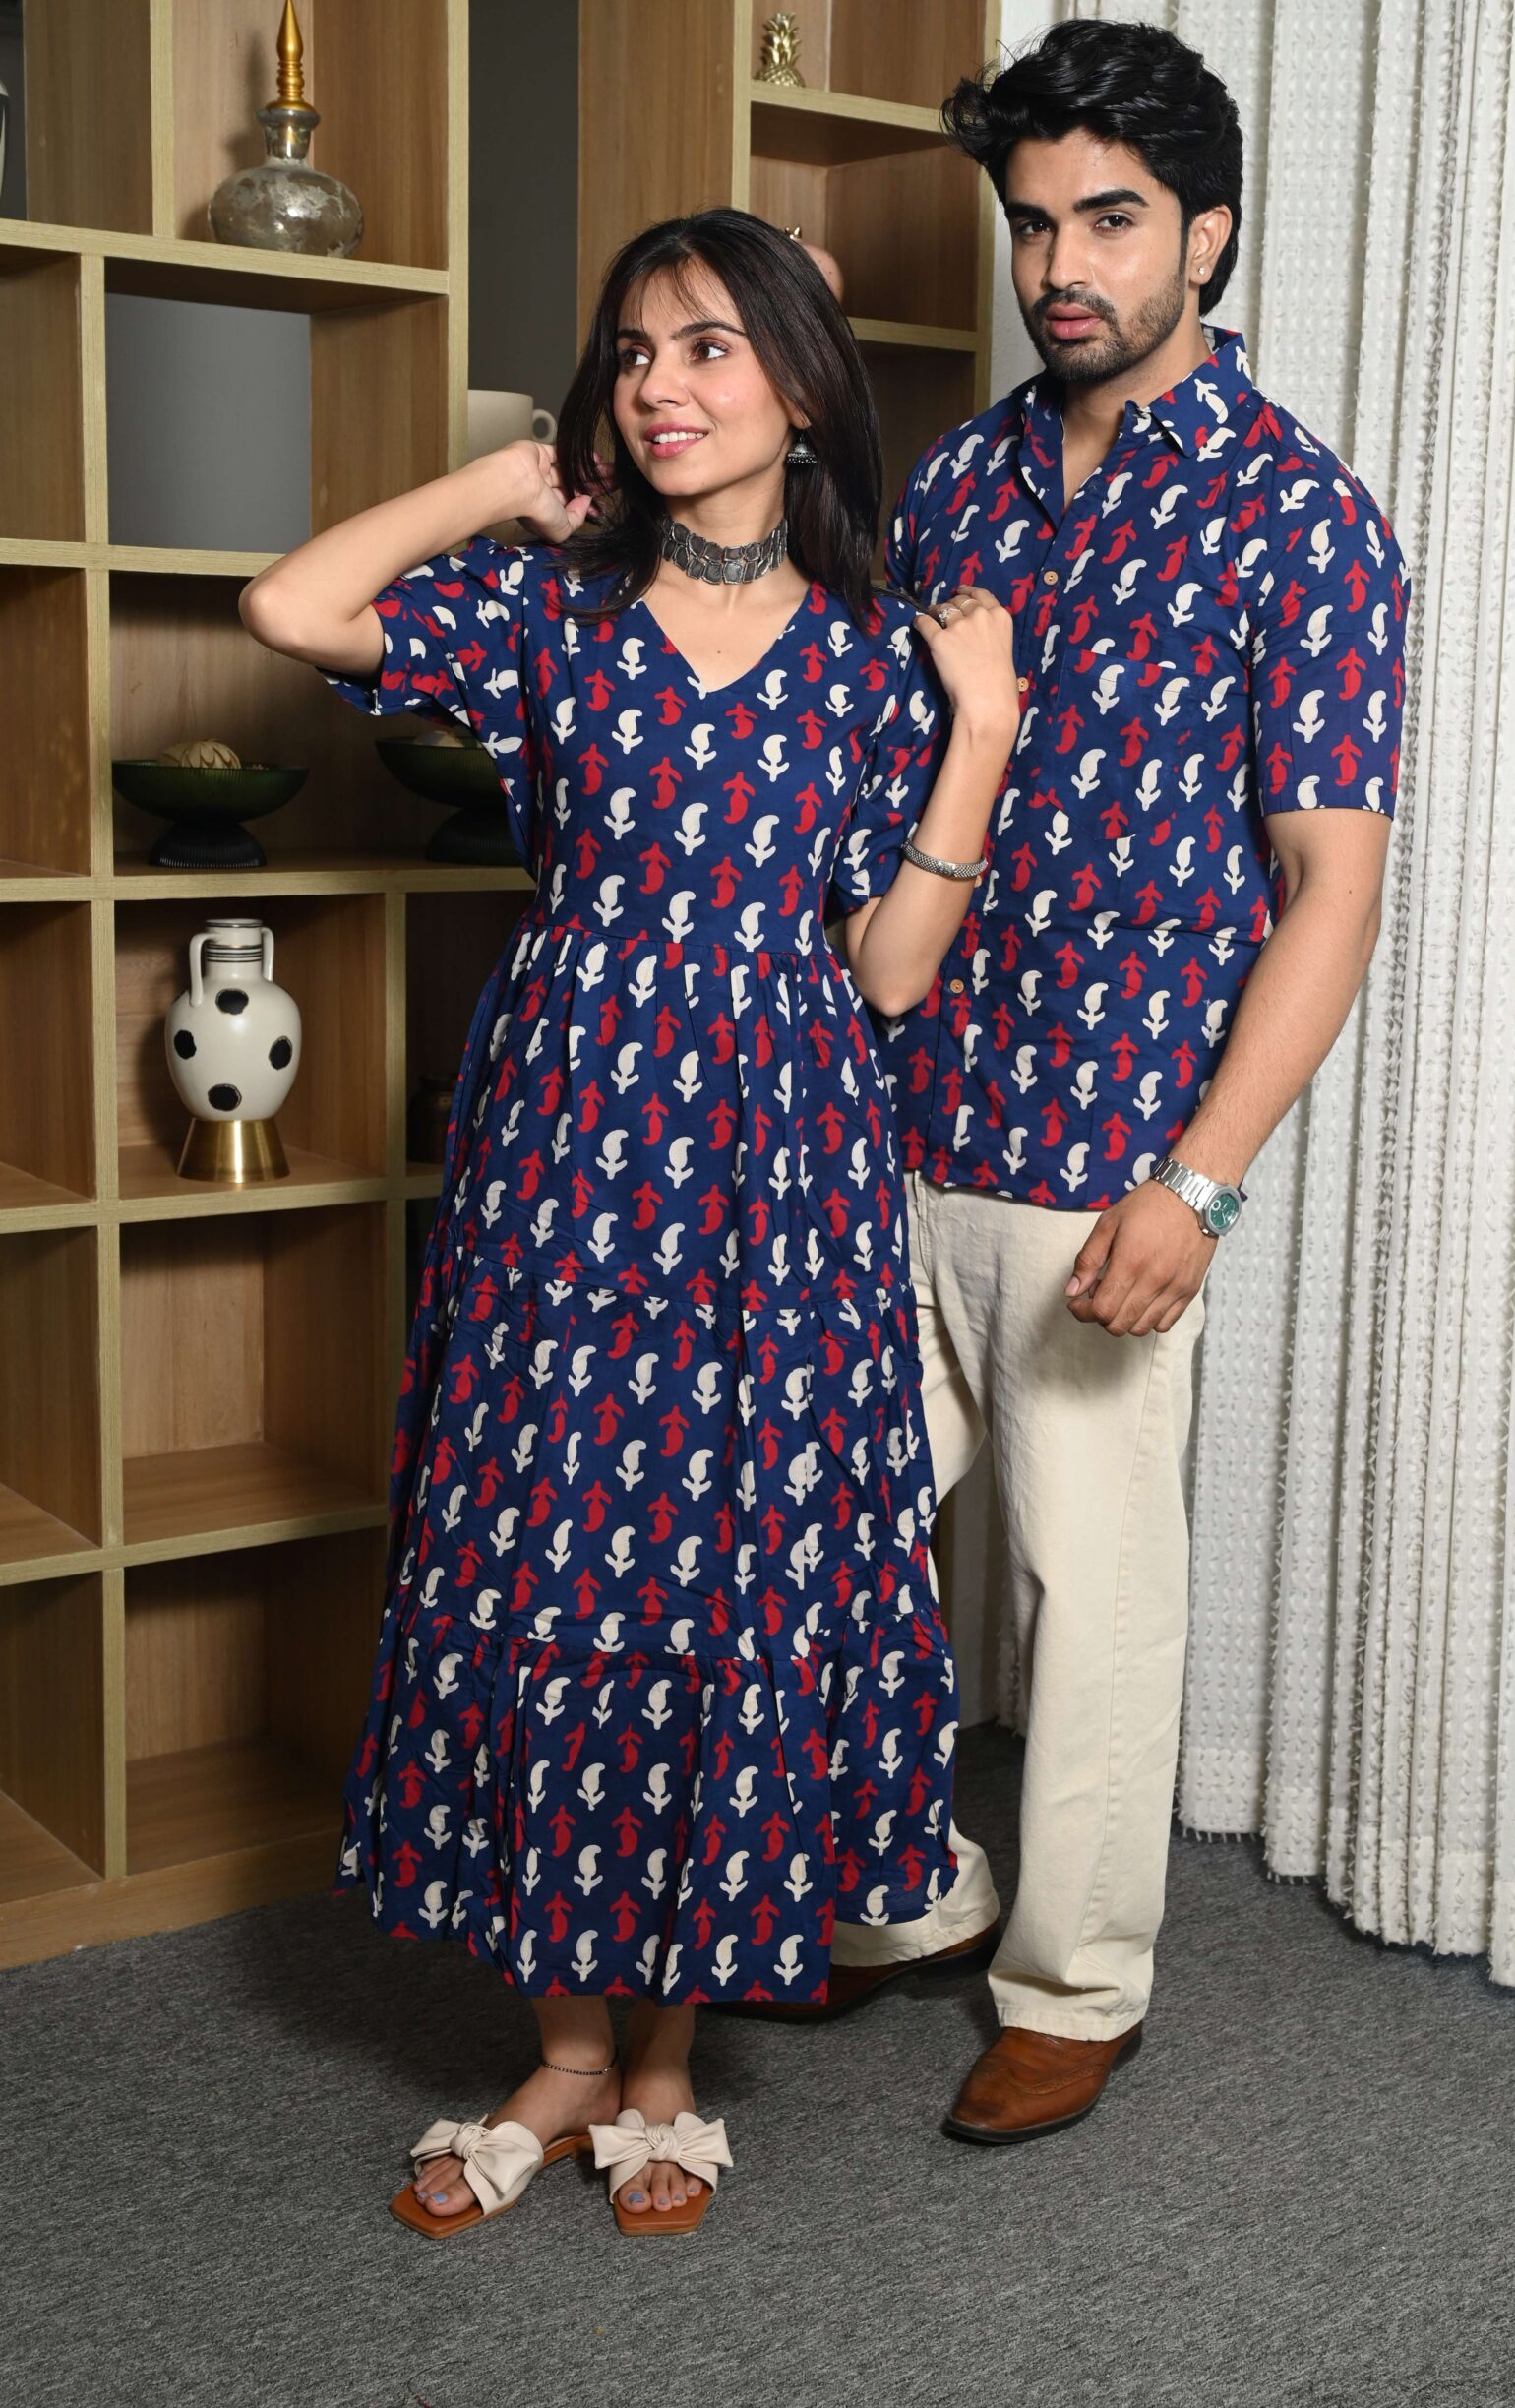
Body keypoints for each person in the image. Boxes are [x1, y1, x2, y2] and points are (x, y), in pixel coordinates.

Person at [238, 208, 1022, 2235]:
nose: (661, 386)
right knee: (549, 1565)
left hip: (782, 1170)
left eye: (707, 347)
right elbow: (293, 602)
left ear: (801, 387)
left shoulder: (877, 653)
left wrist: (984, 736)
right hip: (567, 1154)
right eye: (634, 352)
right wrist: (507, 477)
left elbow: (893, 968)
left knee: (720, 1586)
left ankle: (666, 2065)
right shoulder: (548, 606)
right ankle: (568, 2051)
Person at [808, 19, 1410, 2145]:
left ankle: (1074, 1984)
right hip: (894, 1121)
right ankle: (901, 1886)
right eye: (1035, 220)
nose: (1062, 265)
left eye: (1113, 220)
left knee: (1092, 1595)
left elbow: (1333, 890)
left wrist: (1204, 1183)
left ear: (1207, 235)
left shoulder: (1301, 519)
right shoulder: (958, 484)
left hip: (1106, 1163)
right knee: (819, 1528)